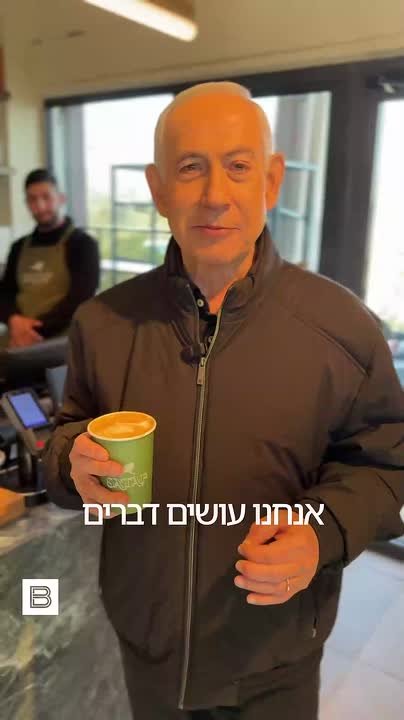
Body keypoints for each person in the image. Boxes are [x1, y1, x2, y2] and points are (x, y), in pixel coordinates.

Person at [43, 82, 404, 719]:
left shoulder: (343, 329)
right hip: (148, 649)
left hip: (274, 658)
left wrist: (322, 531)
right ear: (158, 190)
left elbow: (387, 468)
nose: (215, 194)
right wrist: (72, 460)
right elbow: (67, 438)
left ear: (272, 180)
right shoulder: (102, 324)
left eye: (238, 166)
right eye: (190, 168)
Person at [0, 168, 99, 348]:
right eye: (32, 199)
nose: (40, 206)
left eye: (46, 197)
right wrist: (14, 321)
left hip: (62, 340)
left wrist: (32, 330)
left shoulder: (83, 245)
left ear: (61, 199)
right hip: (18, 334)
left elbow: (79, 301)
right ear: (27, 204)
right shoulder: (18, 247)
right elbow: (4, 294)